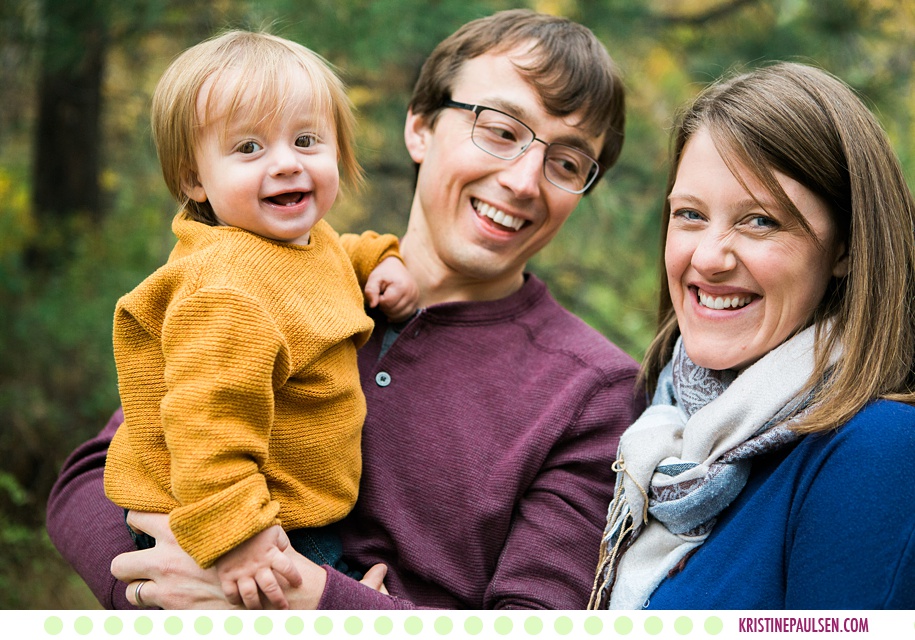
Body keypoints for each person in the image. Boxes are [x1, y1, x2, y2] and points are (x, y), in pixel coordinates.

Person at [47, 10, 643, 610]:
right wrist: (172, 599)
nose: (523, 180)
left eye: (567, 163)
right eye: (500, 130)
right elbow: (90, 480)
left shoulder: (592, 392)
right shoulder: (257, 274)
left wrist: (313, 605)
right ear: (420, 127)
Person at [102, 30, 419, 610]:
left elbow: (329, 253)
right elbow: (207, 422)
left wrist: (379, 259)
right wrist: (240, 541)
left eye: (305, 140)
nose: (285, 164)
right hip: (240, 521)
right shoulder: (225, 290)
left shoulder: (292, 240)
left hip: (281, 513)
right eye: (248, 148)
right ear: (194, 179)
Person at [589, 61, 915, 610]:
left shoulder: (878, 451)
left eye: (759, 221)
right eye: (690, 214)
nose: (709, 258)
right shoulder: (655, 433)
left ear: (846, 247)